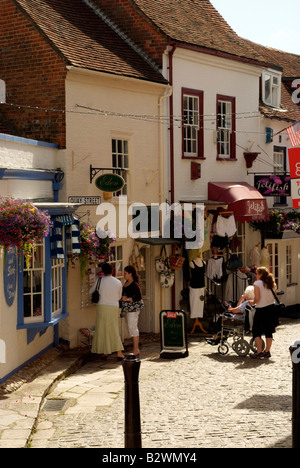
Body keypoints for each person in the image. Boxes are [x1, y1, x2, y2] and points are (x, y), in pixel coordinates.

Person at [89, 263, 124, 361]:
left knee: (102, 328)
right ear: (112, 270)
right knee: (113, 328)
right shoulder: (118, 282)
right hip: (113, 306)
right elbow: (119, 296)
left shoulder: (99, 281)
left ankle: (105, 351)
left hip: (102, 306)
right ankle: (119, 352)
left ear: (103, 271)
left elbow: (91, 291)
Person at [251, 266, 277, 359]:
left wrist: (252, 302)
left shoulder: (257, 283)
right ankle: (267, 351)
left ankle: (258, 352)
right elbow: (274, 297)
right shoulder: (271, 283)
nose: (255, 275)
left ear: (261, 274)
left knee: (256, 331)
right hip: (271, 309)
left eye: (257, 273)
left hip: (261, 309)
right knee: (268, 331)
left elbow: (257, 298)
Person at [121, 265, 144, 357]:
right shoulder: (126, 282)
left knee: (133, 327)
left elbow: (138, 297)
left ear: (130, 274)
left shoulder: (134, 284)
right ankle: (135, 349)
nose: (124, 275)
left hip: (133, 309)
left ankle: (136, 349)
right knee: (131, 327)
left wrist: (127, 299)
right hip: (129, 309)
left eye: (125, 273)